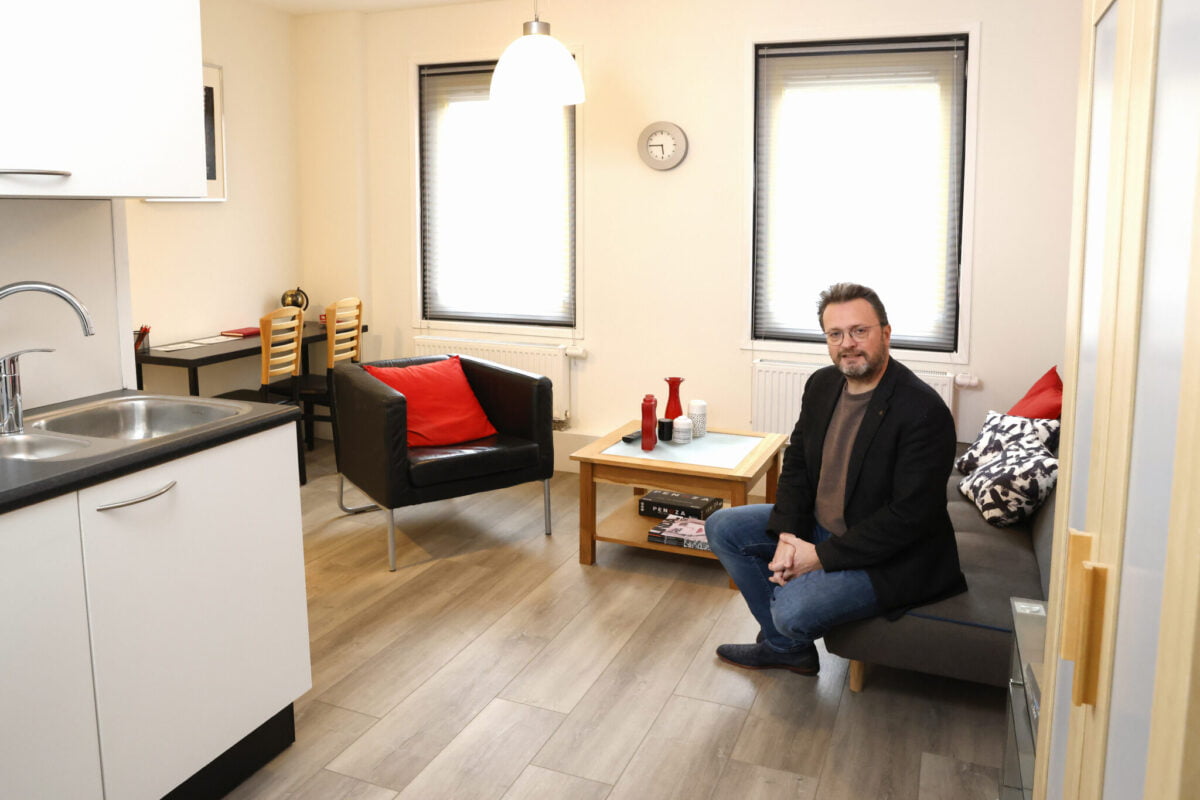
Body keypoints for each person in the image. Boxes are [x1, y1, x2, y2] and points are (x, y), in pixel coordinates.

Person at [708, 282, 965, 674]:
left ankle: (783, 638)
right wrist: (789, 535)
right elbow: (797, 462)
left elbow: (910, 517)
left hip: (889, 557)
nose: (848, 344)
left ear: (886, 333)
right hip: (820, 527)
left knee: (791, 612)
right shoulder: (822, 385)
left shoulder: (923, 411)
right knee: (723, 526)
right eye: (835, 334)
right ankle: (787, 648)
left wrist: (819, 558)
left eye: (859, 331)